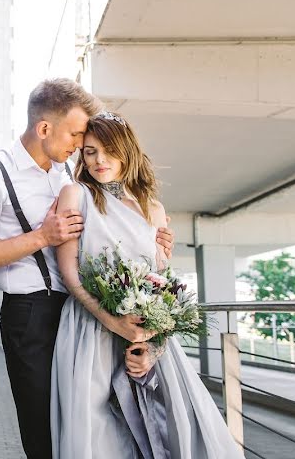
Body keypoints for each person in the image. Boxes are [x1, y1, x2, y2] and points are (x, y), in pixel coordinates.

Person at [0, 79, 175, 459]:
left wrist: (152, 243)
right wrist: (42, 236)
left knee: (87, 428)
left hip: (80, 315)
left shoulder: (66, 178)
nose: (80, 144)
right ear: (45, 128)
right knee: (44, 430)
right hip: (30, 316)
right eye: (75, 134)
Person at [50, 111, 242, 458]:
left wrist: (150, 346)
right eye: (90, 151)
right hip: (89, 332)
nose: (98, 160)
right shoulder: (74, 195)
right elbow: (70, 275)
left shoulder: (152, 208)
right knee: (98, 437)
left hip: (144, 335)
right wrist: (112, 322)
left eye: (108, 150)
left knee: (171, 428)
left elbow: (159, 287)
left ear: (127, 151)